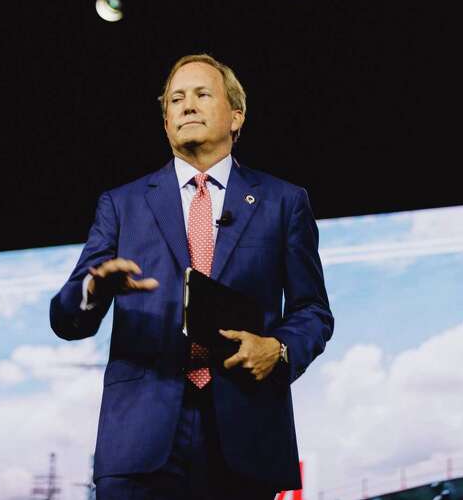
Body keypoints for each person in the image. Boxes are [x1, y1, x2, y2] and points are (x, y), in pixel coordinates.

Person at [49, 53, 334, 499]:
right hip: (140, 442)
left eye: (202, 94)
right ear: (166, 124)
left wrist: (277, 349)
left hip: (244, 435)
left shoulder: (284, 202)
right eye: (176, 100)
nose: (187, 106)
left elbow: (312, 310)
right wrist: (93, 289)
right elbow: (66, 318)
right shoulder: (121, 205)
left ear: (236, 116)